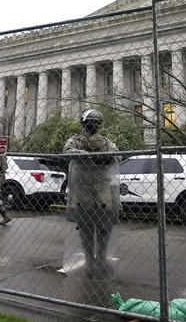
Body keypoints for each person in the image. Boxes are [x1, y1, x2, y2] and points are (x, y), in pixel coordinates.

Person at [64, 109, 120, 278]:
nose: (93, 126)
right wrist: (88, 156)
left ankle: (101, 257)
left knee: (104, 227)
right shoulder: (76, 140)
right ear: (83, 123)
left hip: (103, 190)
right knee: (86, 227)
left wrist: (107, 157)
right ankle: (89, 259)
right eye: (90, 122)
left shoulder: (106, 141)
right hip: (83, 191)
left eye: (96, 123)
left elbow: (118, 155)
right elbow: (67, 151)